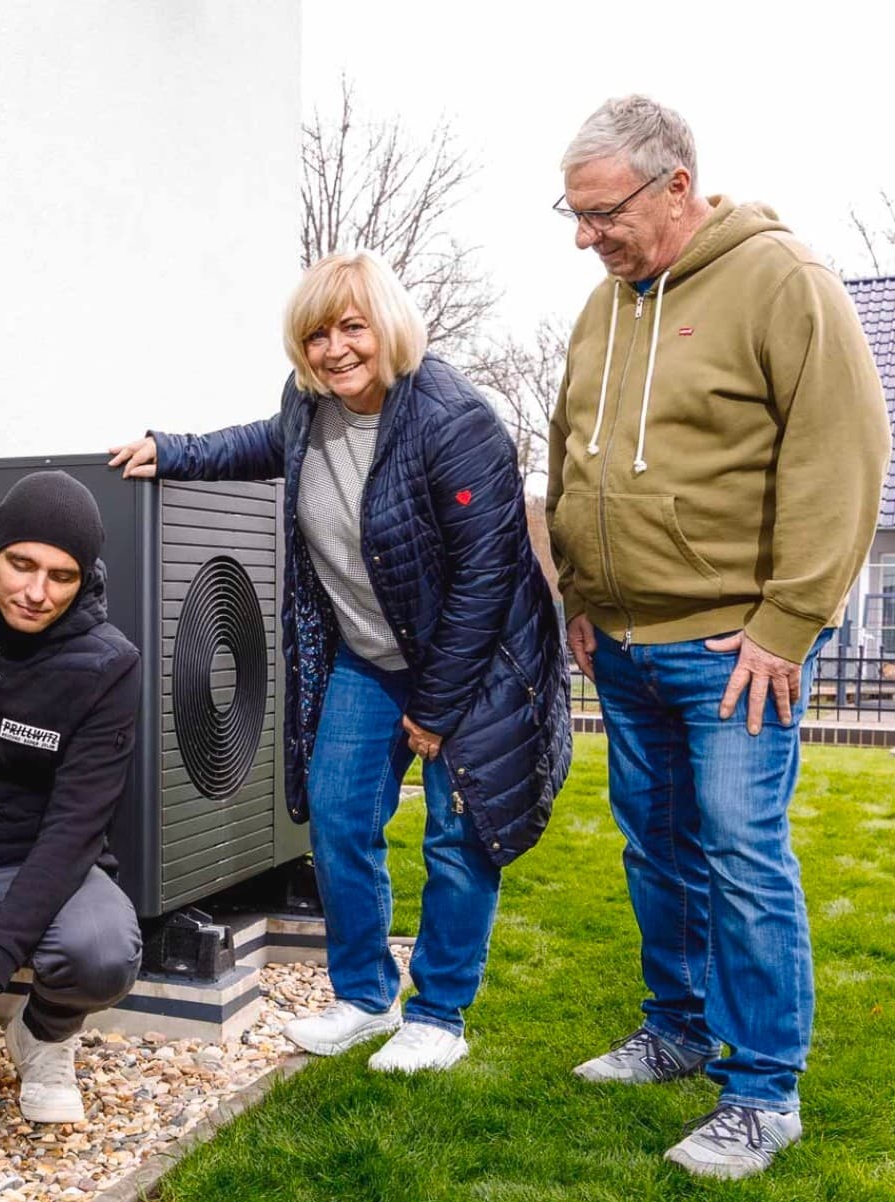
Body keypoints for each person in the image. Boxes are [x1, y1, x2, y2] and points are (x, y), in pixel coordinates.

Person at [109, 251, 571, 1074]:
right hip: (371, 654)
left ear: (387, 326)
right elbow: (266, 441)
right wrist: (169, 449)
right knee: (336, 813)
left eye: (351, 327)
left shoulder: (452, 421)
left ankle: (438, 1014)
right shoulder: (310, 404)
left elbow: (485, 579)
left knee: (458, 837)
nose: (333, 349)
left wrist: (434, 708)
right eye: (316, 334)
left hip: (475, 664)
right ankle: (364, 998)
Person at [546, 96, 890, 1177]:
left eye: (602, 212)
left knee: (743, 856)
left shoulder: (785, 281)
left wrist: (788, 627)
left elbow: (842, 459)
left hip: (736, 647)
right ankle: (679, 1029)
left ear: (677, 187)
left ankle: (763, 1091)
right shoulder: (606, 305)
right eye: (573, 211)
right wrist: (581, 599)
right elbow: (570, 457)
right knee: (659, 850)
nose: (585, 234)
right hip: (628, 640)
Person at [0, 470, 144, 1123]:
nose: (37, 593)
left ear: (84, 577)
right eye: (21, 564)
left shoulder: (107, 664)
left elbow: (76, 827)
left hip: (20, 869)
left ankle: (40, 1036)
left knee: (100, 952)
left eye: (62, 576)